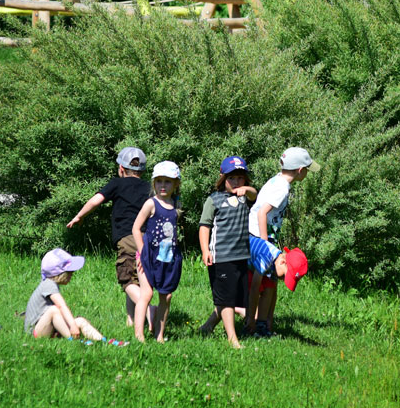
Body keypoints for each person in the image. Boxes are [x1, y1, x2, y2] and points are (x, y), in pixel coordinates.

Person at [66, 147, 154, 329]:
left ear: (121, 168)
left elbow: (95, 200)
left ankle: (150, 309)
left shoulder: (117, 184)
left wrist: (79, 216)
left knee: (127, 280)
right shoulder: (149, 187)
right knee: (138, 279)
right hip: (148, 239)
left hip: (128, 238)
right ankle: (131, 322)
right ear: (143, 170)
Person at [245, 147, 318, 336]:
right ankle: (258, 325)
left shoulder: (277, 180)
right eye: (308, 169)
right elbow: (262, 212)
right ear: (300, 170)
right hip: (258, 236)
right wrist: (264, 244)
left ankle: (266, 324)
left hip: (262, 236)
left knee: (271, 283)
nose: (308, 173)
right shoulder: (282, 188)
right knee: (264, 284)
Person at [197, 156, 258, 347]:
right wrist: (205, 250)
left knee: (231, 297)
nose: (236, 182)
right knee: (227, 299)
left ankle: (207, 327)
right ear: (223, 178)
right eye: (232, 178)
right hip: (221, 257)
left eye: (240, 178)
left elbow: (255, 195)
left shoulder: (244, 199)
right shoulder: (214, 200)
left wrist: (247, 190)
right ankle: (233, 339)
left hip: (241, 256)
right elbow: (204, 226)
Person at [132, 160, 183, 343]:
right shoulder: (150, 204)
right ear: (154, 183)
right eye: (159, 181)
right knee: (146, 293)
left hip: (168, 257)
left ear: (176, 184)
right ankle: (139, 336)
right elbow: (136, 228)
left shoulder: (176, 205)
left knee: (166, 296)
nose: (163, 185)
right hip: (148, 256)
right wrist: (142, 253)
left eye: (168, 181)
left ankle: (159, 335)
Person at [24, 248, 104, 341]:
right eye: (69, 272)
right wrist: (72, 325)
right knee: (54, 310)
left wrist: (73, 323)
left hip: (48, 327)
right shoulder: (48, 284)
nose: (72, 274)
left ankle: (103, 341)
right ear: (60, 274)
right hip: (35, 332)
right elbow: (61, 306)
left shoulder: (51, 284)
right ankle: (73, 340)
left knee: (80, 321)